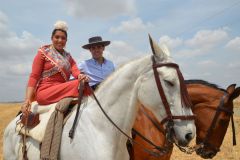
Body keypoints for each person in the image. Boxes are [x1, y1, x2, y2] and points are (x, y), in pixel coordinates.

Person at [21, 21, 90, 112]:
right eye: (57, 37)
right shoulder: (43, 53)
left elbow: (75, 71)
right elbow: (34, 76)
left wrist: (81, 76)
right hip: (46, 92)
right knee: (78, 84)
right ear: (52, 38)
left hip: (62, 89)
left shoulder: (68, 57)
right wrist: (28, 99)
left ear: (66, 40)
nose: (60, 40)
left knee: (83, 82)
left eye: (63, 38)